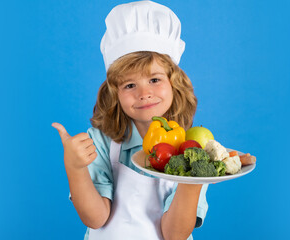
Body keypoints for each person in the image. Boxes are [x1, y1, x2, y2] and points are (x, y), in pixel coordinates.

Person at [52, 1, 209, 239]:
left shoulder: (192, 152)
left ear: (174, 83)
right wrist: (74, 168)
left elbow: (174, 234)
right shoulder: (101, 141)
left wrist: (192, 178)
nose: (143, 93)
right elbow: (96, 218)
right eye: (130, 85)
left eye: (154, 80)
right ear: (114, 93)